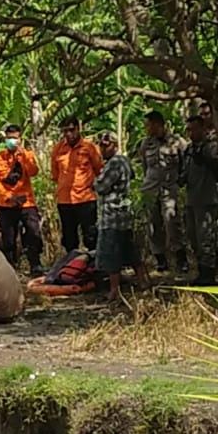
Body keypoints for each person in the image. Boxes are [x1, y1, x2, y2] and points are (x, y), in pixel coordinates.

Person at [93, 132, 150, 300]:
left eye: (107, 144)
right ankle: (142, 282)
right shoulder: (125, 160)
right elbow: (132, 175)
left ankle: (114, 290)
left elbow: (101, 186)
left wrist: (94, 181)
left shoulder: (114, 163)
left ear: (115, 145)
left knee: (112, 254)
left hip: (112, 215)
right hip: (124, 214)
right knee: (130, 251)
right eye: (101, 145)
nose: (103, 148)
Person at [137, 111, 188, 273]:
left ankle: (181, 259)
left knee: (172, 223)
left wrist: (178, 182)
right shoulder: (146, 144)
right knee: (153, 225)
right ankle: (160, 259)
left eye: (149, 125)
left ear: (158, 124)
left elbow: (185, 164)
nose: (147, 128)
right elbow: (145, 166)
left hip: (169, 189)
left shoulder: (177, 142)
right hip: (151, 189)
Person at [0, 124, 43, 275]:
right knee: (8, 237)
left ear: (20, 139)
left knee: (34, 232)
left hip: (26, 202)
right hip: (7, 204)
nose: (12, 141)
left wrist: (24, 156)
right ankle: (10, 267)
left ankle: (35, 264)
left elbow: (34, 172)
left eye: (15, 138)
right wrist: (8, 197)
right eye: (9, 138)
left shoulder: (28, 155)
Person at [51, 115, 104, 253]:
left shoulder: (89, 147)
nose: (69, 134)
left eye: (71, 130)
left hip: (86, 199)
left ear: (78, 129)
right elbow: (55, 174)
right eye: (65, 131)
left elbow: (99, 169)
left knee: (91, 235)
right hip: (65, 200)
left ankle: (94, 266)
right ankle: (71, 268)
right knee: (69, 238)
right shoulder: (58, 149)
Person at [182, 115, 218, 285]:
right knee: (193, 237)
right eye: (189, 130)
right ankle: (202, 270)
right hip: (192, 198)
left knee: (206, 237)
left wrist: (204, 155)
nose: (191, 133)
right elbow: (184, 171)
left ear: (203, 129)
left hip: (207, 198)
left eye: (194, 129)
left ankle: (209, 274)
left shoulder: (211, 147)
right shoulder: (189, 150)